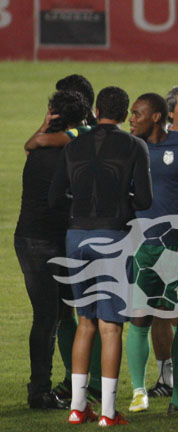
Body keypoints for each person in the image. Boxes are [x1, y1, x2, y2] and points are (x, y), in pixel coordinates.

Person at [49, 86, 153, 426]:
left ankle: (77, 408)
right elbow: (145, 201)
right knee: (111, 327)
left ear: (95, 110)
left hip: (76, 236)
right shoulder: (135, 145)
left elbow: (55, 197)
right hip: (112, 235)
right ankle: (108, 411)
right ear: (124, 115)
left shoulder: (73, 144)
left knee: (85, 322)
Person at [126, 92, 178, 413]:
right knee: (139, 319)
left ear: (156, 116)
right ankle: (138, 392)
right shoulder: (130, 147)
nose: (131, 119)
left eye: (137, 114)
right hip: (142, 247)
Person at [16, 90, 89, 410]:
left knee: (52, 315)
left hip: (32, 239)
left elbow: (31, 144)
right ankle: (41, 391)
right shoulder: (74, 152)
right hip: (51, 241)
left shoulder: (38, 149)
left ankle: (54, 386)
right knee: (53, 315)